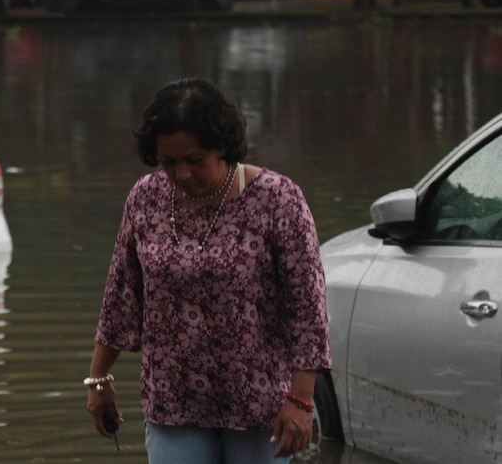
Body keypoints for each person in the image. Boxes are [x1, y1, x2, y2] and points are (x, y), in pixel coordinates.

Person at [85, 77, 331, 463]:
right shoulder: (146, 199)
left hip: (259, 402)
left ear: (223, 148)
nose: (181, 174)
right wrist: (99, 380)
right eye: (169, 162)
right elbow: (121, 296)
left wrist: (301, 399)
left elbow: (307, 309)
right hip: (174, 400)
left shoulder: (278, 200)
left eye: (194, 160)